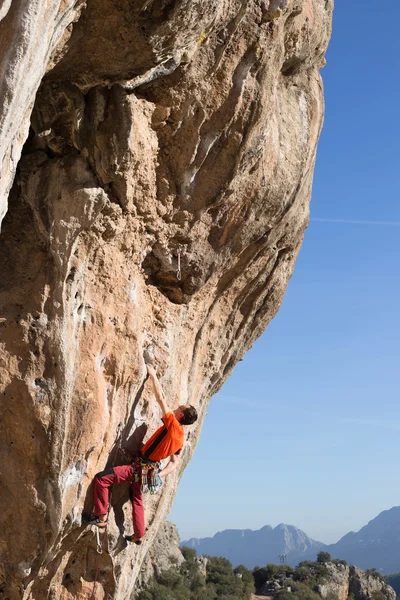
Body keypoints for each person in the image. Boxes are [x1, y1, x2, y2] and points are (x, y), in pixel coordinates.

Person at [87, 364, 198, 544]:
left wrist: (153, 375)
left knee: (102, 479)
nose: (176, 407)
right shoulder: (181, 439)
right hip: (149, 470)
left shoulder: (173, 424)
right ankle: (139, 534)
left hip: (139, 466)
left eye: (180, 408)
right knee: (136, 499)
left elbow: (160, 398)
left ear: (181, 415)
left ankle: (100, 517)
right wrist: (159, 474)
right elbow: (175, 462)